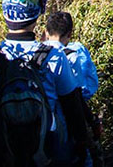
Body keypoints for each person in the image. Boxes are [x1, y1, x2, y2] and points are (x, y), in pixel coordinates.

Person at [0, 0, 88, 166]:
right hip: (49, 151)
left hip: (5, 153)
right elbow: (72, 104)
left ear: (5, 15)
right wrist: (82, 145)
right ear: (36, 19)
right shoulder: (53, 56)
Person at [44, 12, 103, 167]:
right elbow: (76, 96)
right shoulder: (72, 55)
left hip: (42, 126)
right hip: (67, 125)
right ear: (70, 34)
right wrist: (89, 126)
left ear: (46, 32)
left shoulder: (35, 55)